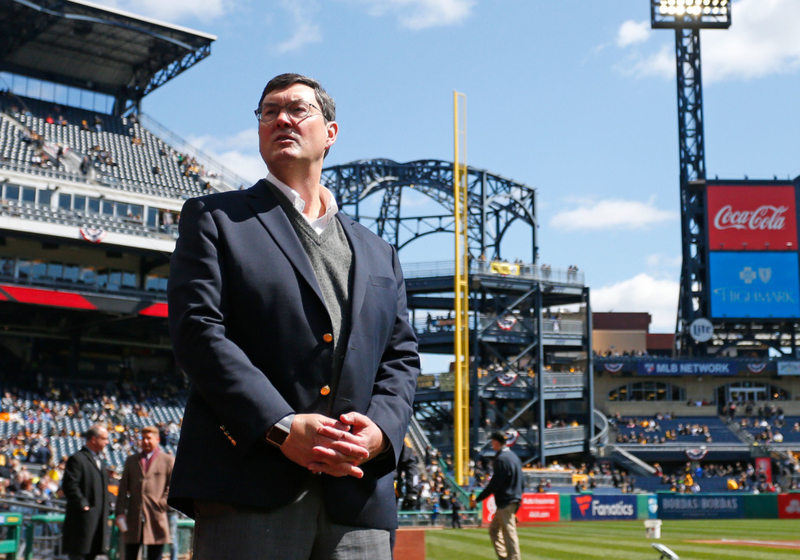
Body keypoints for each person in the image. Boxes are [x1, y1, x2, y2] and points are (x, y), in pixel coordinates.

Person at [167, 73, 419, 560]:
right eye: (268, 111)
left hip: (357, 496)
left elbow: (401, 358)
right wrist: (278, 425)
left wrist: (381, 432)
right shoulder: (214, 218)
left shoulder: (380, 251)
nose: (281, 118)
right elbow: (198, 332)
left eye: (298, 108)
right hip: (250, 489)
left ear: (331, 132)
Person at [116, 426, 174, 560]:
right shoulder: (132, 460)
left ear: (157, 439)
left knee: (155, 556)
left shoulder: (168, 460)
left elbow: (171, 487)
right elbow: (123, 489)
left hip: (156, 517)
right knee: (130, 555)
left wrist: (162, 504)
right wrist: (120, 512)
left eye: (149, 438)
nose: (145, 441)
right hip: (133, 518)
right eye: (143, 438)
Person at [61, 424, 111, 560]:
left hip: (98, 521)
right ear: (94, 439)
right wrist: (82, 504)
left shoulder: (100, 460)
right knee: (79, 555)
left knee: (93, 554)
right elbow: (70, 485)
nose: (107, 442)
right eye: (104, 438)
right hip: (82, 522)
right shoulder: (77, 459)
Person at [476, 431, 523, 560]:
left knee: (509, 531)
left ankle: (514, 558)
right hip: (513, 498)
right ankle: (504, 558)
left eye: (492, 441)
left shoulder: (501, 458)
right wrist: (519, 499)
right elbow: (522, 481)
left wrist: (479, 498)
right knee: (494, 530)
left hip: (506, 501)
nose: (492, 443)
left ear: (497, 442)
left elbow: (495, 483)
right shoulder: (514, 457)